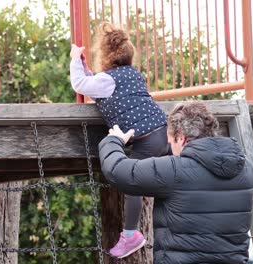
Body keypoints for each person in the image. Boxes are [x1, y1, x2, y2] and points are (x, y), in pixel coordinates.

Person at [98, 101, 253, 264]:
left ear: (180, 137)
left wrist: (113, 141)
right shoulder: (246, 171)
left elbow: (118, 171)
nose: (170, 148)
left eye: (170, 142)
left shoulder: (174, 170)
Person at [69, 22, 170, 258]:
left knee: (132, 182)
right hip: (163, 132)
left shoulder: (107, 80)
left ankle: (130, 235)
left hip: (147, 140)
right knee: (169, 181)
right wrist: (85, 68)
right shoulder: (132, 74)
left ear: (104, 55)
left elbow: (80, 85)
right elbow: (98, 86)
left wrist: (75, 59)